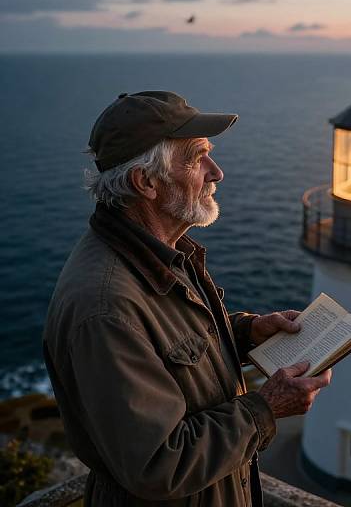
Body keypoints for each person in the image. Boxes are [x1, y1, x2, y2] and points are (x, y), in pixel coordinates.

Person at [43, 91, 331, 507]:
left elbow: (168, 346)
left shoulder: (158, 251)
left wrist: (248, 332)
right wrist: (266, 408)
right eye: (197, 158)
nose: (217, 173)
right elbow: (159, 464)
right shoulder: (106, 307)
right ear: (146, 183)